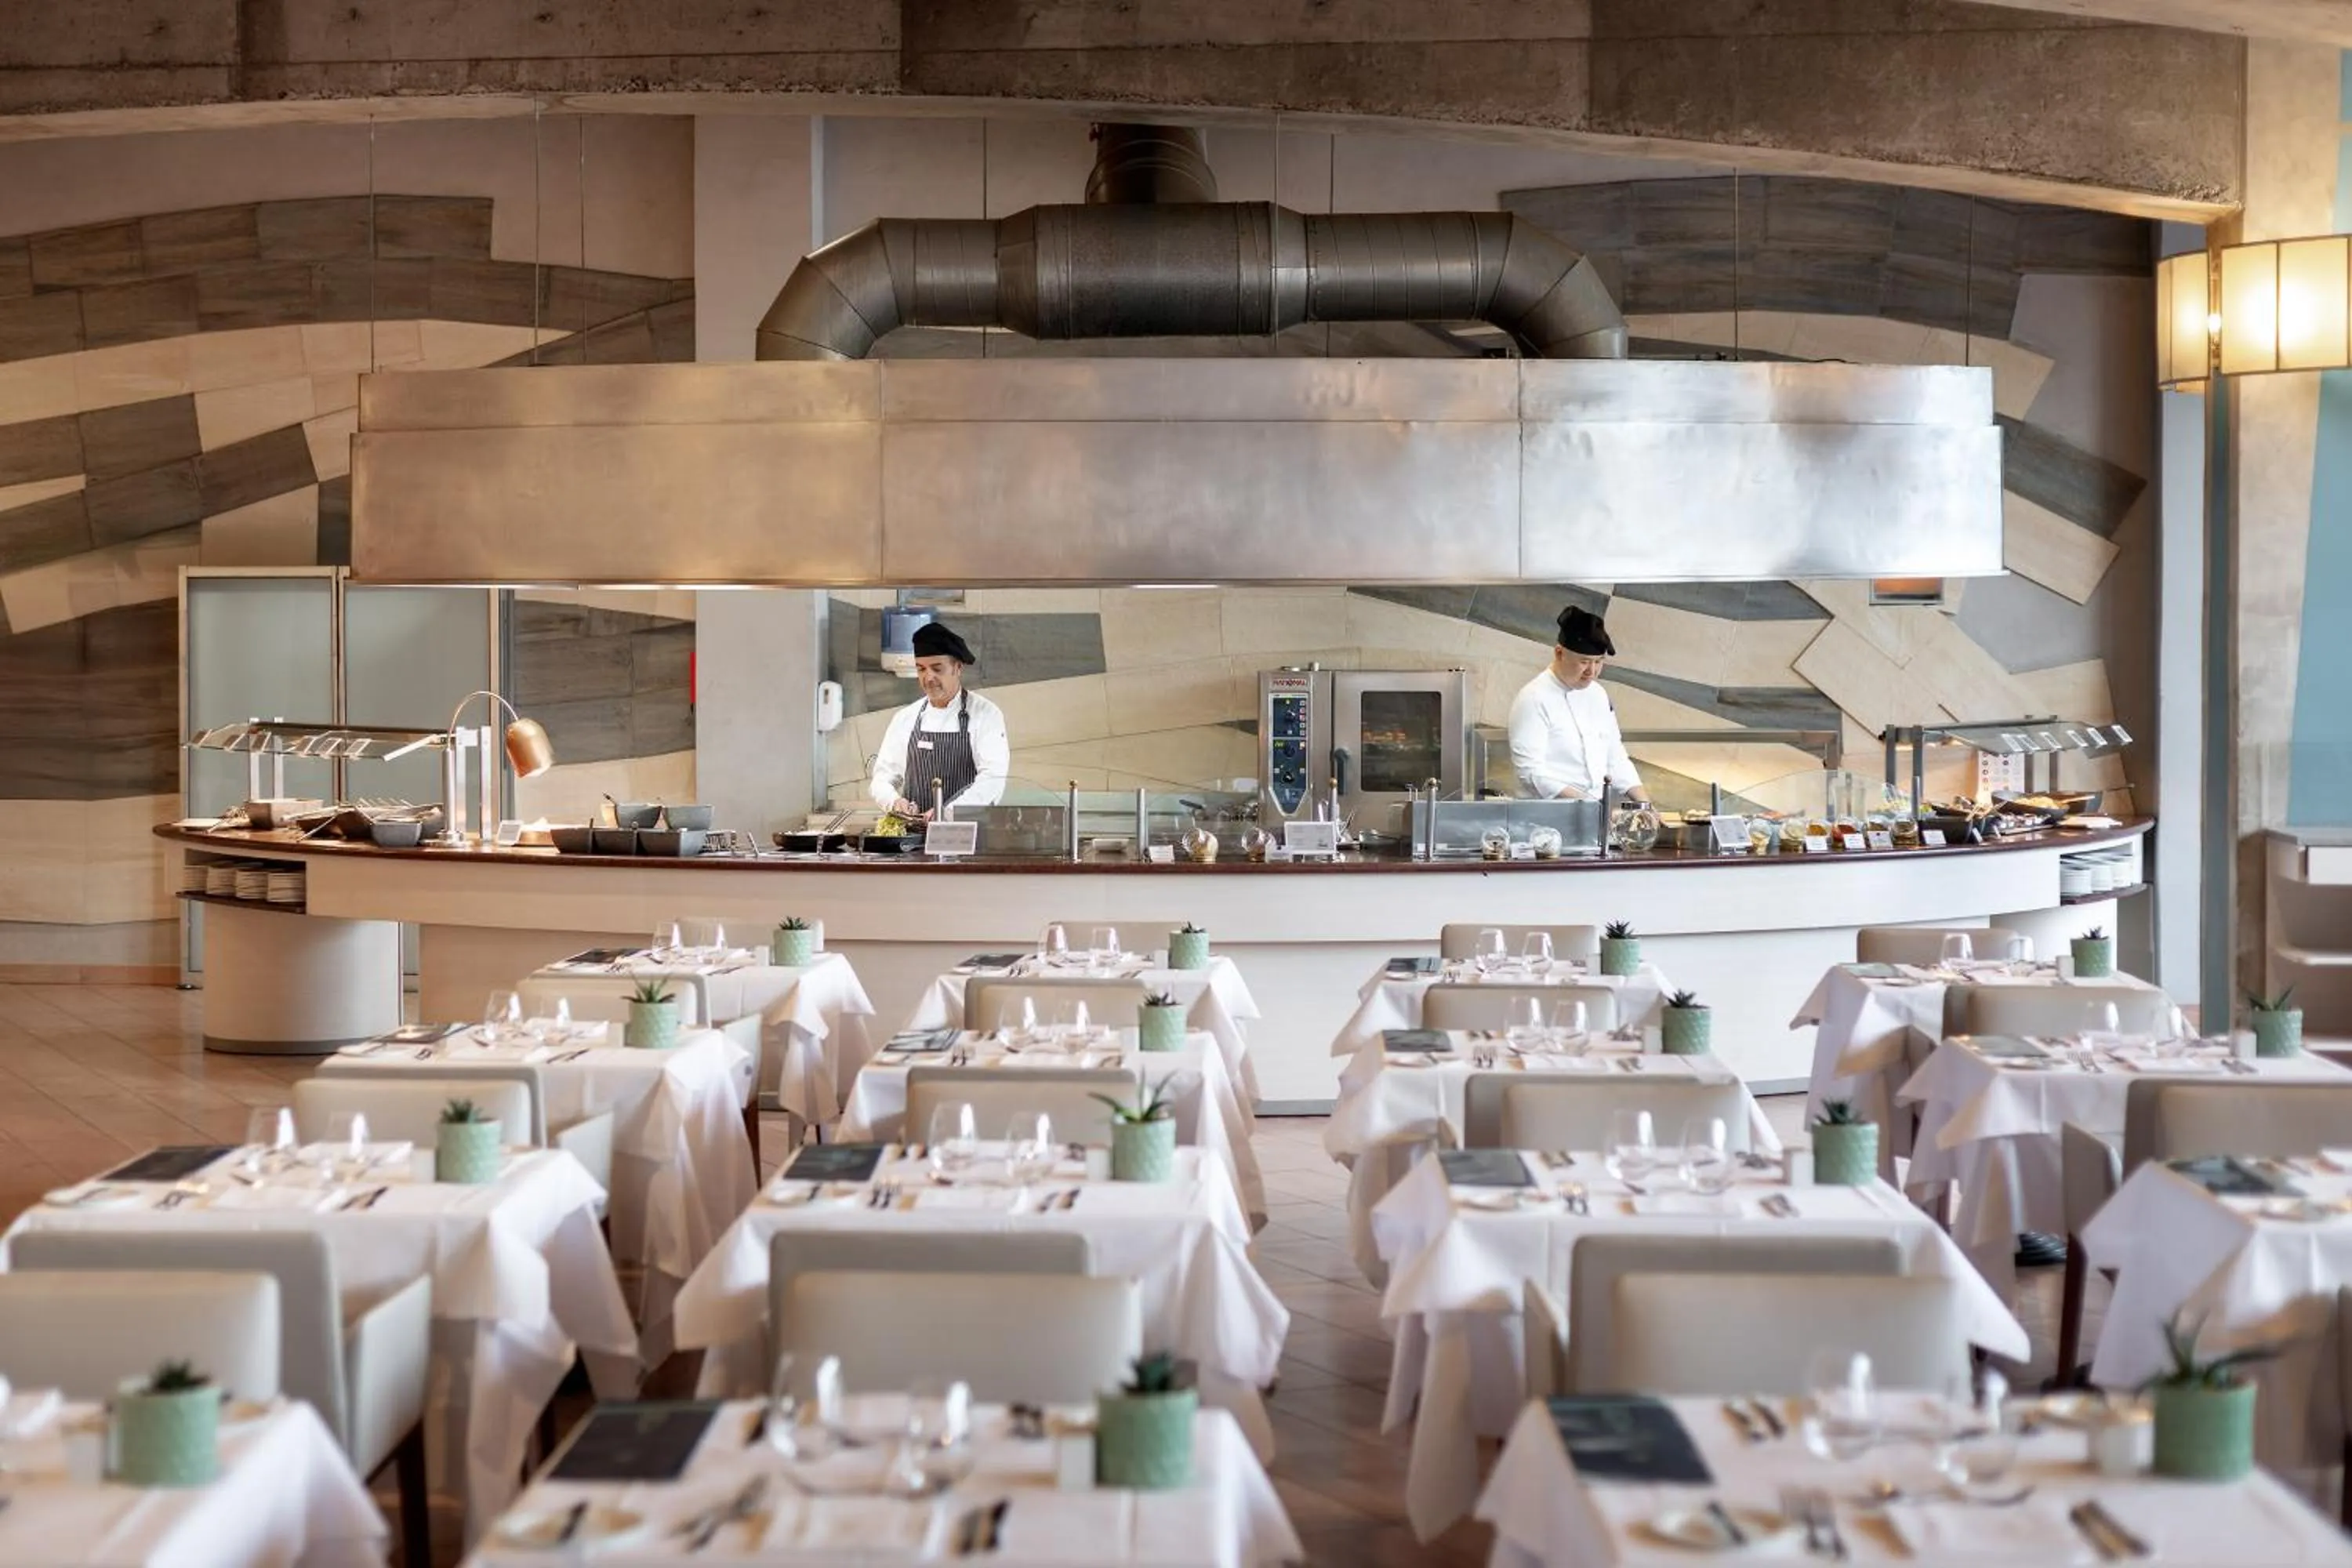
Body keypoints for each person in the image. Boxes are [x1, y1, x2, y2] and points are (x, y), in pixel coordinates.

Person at [869, 621, 1011, 821]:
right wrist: (894, 802)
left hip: (967, 836)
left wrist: (949, 812)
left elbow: (992, 780)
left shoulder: (985, 714)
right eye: (921, 669)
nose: (929, 678)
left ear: (958, 668)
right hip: (914, 841)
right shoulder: (906, 718)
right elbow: (882, 778)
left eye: (937, 669)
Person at [1506, 604, 1648, 802]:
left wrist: (1646, 806)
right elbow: (1531, 773)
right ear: (1559, 653)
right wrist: (1591, 806)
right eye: (1584, 662)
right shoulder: (1533, 698)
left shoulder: (1598, 695)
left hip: (1594, 814)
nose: (1592, 671)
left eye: (1598, 662)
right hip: (1548, 819)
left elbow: (1615, 757)